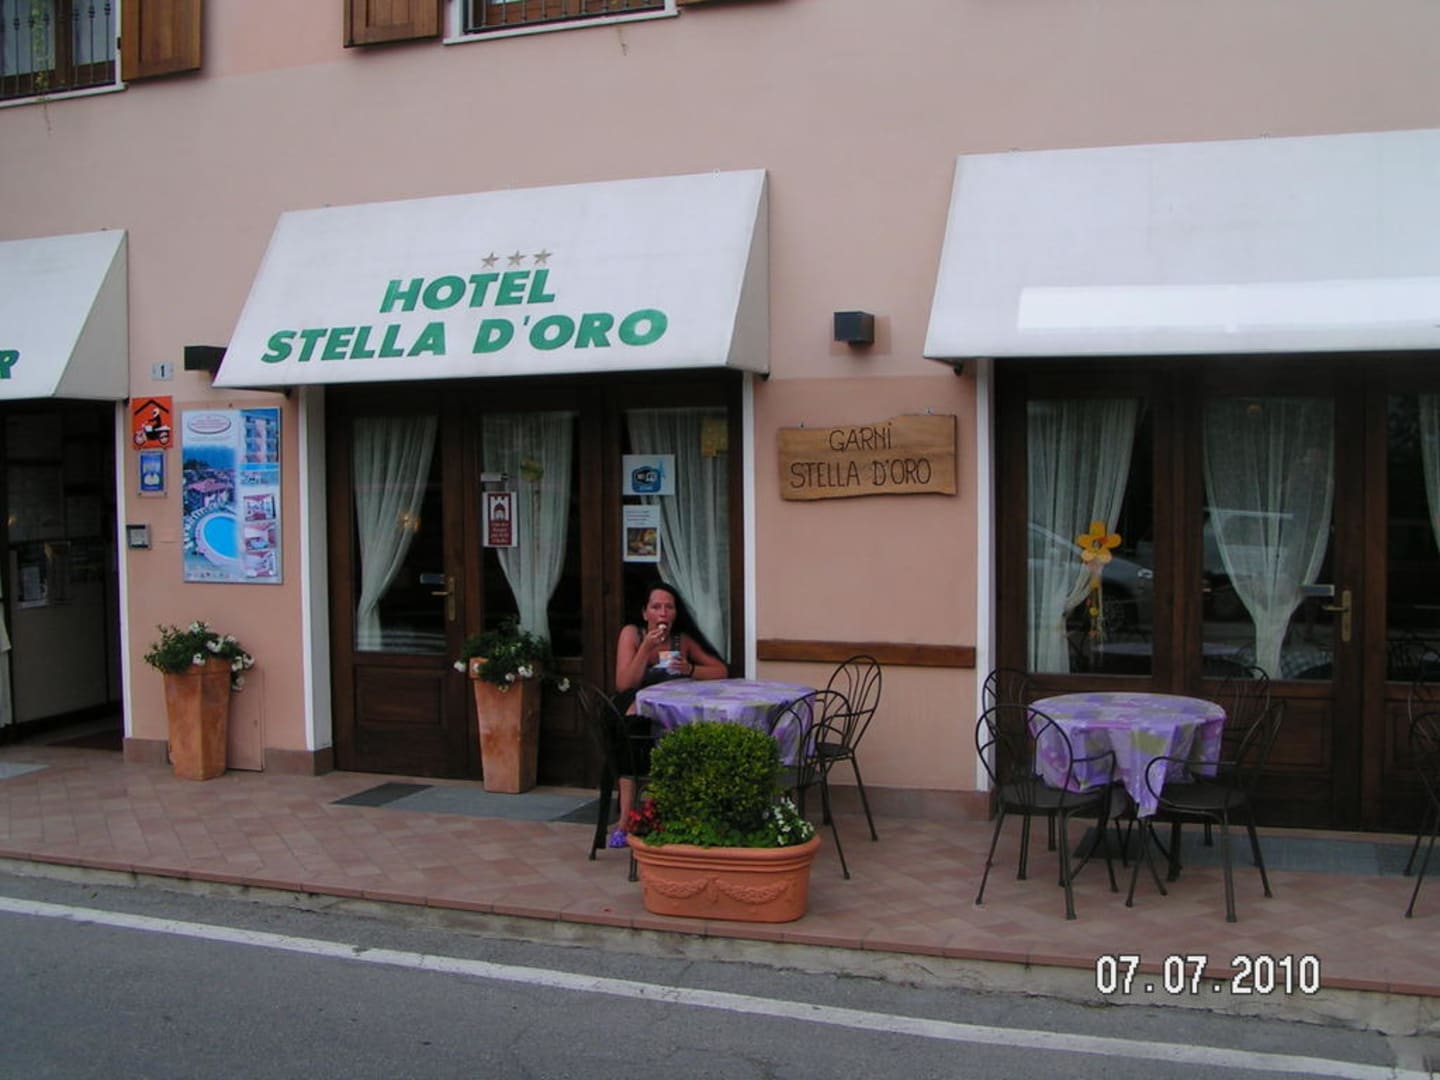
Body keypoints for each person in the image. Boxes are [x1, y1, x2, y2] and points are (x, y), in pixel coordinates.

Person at [608, 581, 727, 844]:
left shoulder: (681, 641)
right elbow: (624, 684)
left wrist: (690, 670)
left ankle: (676, 814)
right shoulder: (632, 634)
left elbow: (720, 670)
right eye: (656, 607)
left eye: (669, 607)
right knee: (631, 733)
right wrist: (645, 649)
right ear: (645, 613)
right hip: (635, 711)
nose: (663, 613)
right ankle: (624, 820)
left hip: (672, 713)